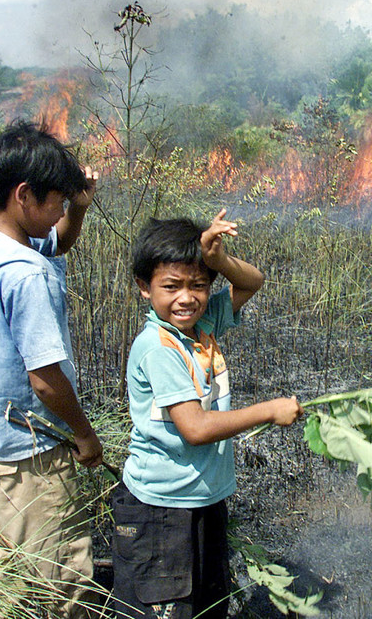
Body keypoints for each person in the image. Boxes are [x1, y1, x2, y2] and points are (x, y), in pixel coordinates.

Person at [111, 210, 303, 619]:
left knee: (207, 602)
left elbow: (252, 281)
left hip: (202, 497)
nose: (187, 297)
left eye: (198, 285)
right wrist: (268, 411)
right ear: (144, 287)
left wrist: (219, 261)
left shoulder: (203, 323)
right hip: (161, 508)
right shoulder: (160, 347)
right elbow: (195, 428)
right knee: (166, 607)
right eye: (171, 286)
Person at [0, 121, 103, 619]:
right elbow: (45, 381)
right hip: (29, 452)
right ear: (25, 195)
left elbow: (57, 242)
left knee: (6, 556)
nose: (64, 207)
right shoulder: (27, 277)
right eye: (58, 199)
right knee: (62, 575)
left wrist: (78, 208)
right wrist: (83, 435)